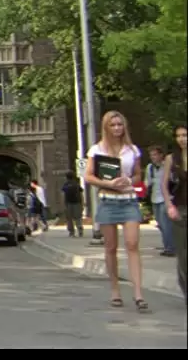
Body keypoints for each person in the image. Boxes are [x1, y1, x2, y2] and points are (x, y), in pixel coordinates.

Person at [84, 110, 148, 311]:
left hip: (128, 200)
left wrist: (128, 180)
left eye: (120, 124)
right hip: (108, 201)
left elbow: (138, 174)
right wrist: (108, 182)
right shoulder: (97, 150)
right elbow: (88, 176)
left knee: (132, 244)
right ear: (106, 127)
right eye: (113, 125)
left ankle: (138, 294)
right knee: (111, 248)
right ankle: (115, 290)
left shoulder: (132, 150)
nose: (117, 128)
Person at [160, 125, 187, 305]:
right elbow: (163, 184)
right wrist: (169, 205)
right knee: (183, 255)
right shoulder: (172, 159)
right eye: (179, 136)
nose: (182, 139)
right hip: (181, 209)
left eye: (185, 135)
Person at [145, 145, 174, 256]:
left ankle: (170, 248)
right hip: (154, 198)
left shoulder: (166, 165)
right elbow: (147, 183)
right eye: (151, 155)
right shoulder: (150, 168)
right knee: (161, 224)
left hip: (166, 198)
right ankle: (168, 245)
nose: (153, 157)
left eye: (155, 154)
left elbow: (172, 179)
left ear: (161, 155)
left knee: (166, 224)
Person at [61, 172, 84, 237]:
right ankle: (80, 230)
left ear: (66, 177)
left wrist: (63, 204)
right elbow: (81, 194)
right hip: (77, 203)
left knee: (69, 218)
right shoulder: (76, 184)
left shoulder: (65, 184)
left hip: (68, 203)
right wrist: (82, 203)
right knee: (78, 217)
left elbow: (63, 195)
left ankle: (71, 232)